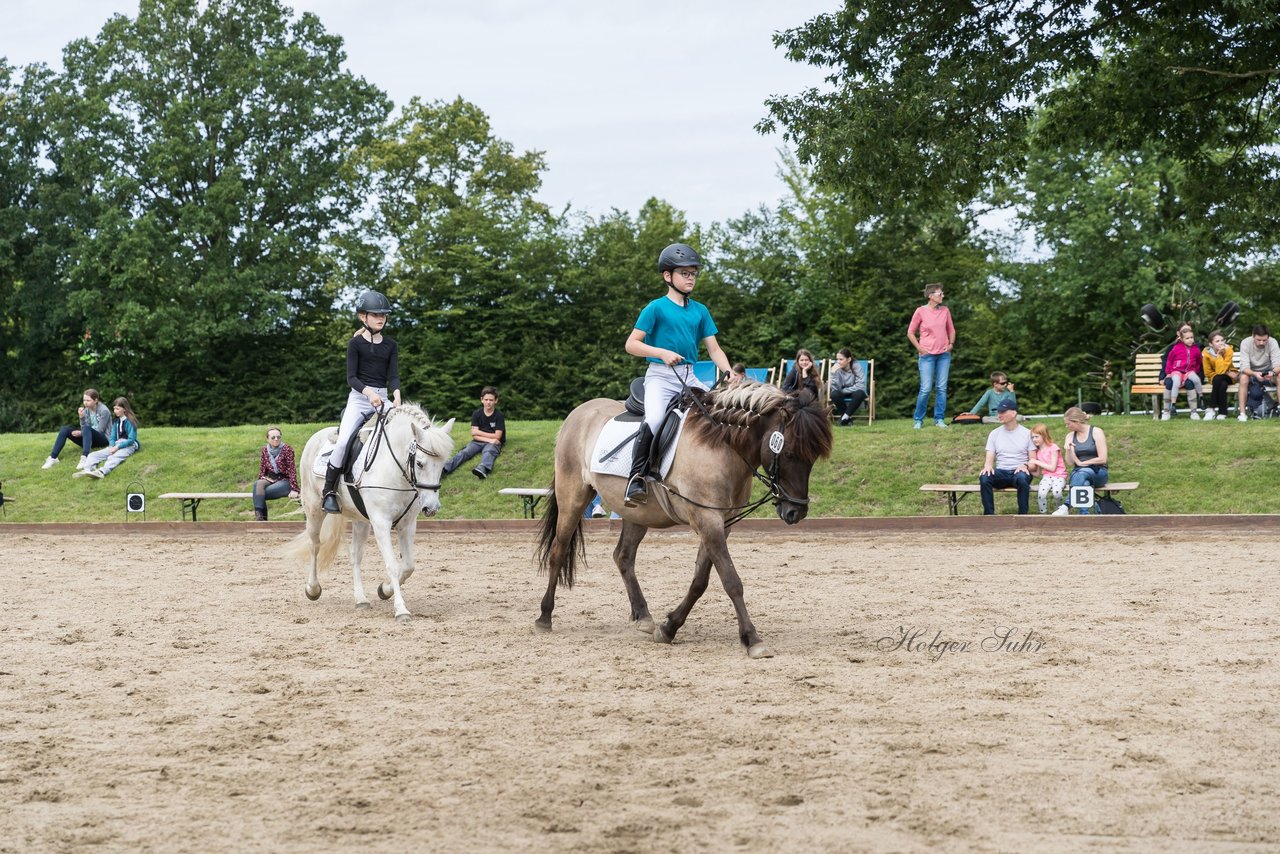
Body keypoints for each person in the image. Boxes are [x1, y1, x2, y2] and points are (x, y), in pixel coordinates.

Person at [623, 242, 731, 507]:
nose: (691, 277)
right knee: (657, 418)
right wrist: (660, 352)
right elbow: (631, 344)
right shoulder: (655, 308)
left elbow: (714, 348)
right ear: (667, 276)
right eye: (685, 273)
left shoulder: (700, 310)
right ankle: (636, 477)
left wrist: (728, 371)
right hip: (660, 377)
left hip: (689, 376)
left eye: (693, 273)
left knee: (717, 417)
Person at [323, 290, 401, 513]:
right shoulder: (354, 344)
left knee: (401, 435)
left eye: (383, 316)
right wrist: (369, 393)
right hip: (359, 399)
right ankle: (328, 491)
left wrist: (395, 394)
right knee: (343, 442)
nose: (380, 319)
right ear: (362, 317)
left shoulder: (391, 345)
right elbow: (351, 378)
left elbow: (393, 376)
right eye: (375, 315)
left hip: (383, 398)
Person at [907, 282, 955, 429]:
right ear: (930, 296)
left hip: (943, 355)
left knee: (941, 388)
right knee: (926, 388)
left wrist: (951, 344)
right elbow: (910, 332)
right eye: (940, 294)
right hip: (927, 355)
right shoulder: (920, 311)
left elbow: (951, 330)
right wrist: (920, 348)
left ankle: (939, 419)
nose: (942, 296)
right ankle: (918, 420)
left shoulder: (945, 310)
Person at [978, 399, 1035, 515]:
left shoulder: (1027, 434)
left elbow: (1033, 462)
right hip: (1002, 472)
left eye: (1003, 412)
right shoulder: (994, 434)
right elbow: (989, 459)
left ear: (1014, 413)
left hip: (1019, 471)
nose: (999, 415)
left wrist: (1025, 465)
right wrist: (987, 466)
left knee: (1022, 478)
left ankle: (1023, 516)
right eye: (998, 412)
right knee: (984, 477)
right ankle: (989, 515)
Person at [443, 386, 506, 480]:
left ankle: (483, 468)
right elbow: (474, 435)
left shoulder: (499, 415)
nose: (488, 402)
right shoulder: (477, 414)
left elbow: (498, 436)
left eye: (491, 400)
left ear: (496, 401)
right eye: (486, 399)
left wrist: (479, 433)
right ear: (482, 400)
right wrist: (490, 439)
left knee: (489, 451)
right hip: (479, 441)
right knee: (465, 452)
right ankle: (445, 469)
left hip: (493, 444)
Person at [42, 389, 112, 470]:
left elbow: (100, 430)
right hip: (89, 439)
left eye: (88, 400)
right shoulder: (87, 410)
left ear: (95, 400)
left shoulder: (104, 411)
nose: (85, 403)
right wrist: (81, 417)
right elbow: (85, 427)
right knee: (65, 429)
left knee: (86, 429)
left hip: (103, 439)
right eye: (84, 400)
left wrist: (81, 433)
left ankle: (85, 458)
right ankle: (53, 458)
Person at [72, 397, 140, 479]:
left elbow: (131, 440)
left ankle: (101, 472)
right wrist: (112, 446)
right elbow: (113, 437)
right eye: (114, 409)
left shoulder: (130, 421)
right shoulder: (116, 421)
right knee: (92, 455)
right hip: (116, 443)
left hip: (129, 445)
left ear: (124, 409)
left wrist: (117, 447)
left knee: (114, 457)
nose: (115, 411)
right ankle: (87, 469)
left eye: (117, 409)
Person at [1063, 406, 1108, 515]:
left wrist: (1083, 464)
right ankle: (1084, 514)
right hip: (1079, 474)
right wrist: (1068, 449)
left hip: (1098, 472)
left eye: (1068, 423)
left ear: (1076, 421)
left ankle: (1066, 505)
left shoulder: (1096, 432)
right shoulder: (1070, 436)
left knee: (1082, 473)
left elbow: (1103, 458)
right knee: (1085, 484)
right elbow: (1069, 462)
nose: (1066, 426)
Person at [252, 426, 299, 521]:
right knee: (258, 484)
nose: (276, 439)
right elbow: (262, 470)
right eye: (273, 437)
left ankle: (262, 519)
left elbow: (292, 470)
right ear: (267, 439)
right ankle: (259, 518)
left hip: (284, 480)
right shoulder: (265, 450)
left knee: (258, 494)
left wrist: (294, 489)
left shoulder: (287, 449)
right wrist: (263, 479)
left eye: (278, 437)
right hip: (270, 478)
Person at [1236, 324, 1280, 421]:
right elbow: (1244, 367)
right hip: (1251, 373)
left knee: (1279, 376)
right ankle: (1242, 414)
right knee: (1243, 377)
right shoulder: (1245, 343)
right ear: (1253, 336)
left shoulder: (1273, 342)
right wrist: (1255, 373)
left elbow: (1278, 365)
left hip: (1269, 374)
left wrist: (1272, 372)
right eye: (1258, 340)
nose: (1261, 343)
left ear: (1268, 337)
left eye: (1264, 340)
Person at [1162, 323, 1202, 420]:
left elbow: (1199, 363)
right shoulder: (1173, 348)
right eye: (1184, 331)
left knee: (1190, 383)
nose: (1187, 333)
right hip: (1174, 373)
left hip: (1189, 374)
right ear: (1179, 334)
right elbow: (1166, 362)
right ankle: (1167, 411)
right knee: (1170, 382)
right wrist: (1164, 375)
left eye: (1189, 330)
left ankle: (1194, 412)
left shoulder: (1196, 347)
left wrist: (1197, 374)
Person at [1026, 423, 1067, 515]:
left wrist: (1036, 462)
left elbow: (1052, 468)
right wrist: (1026, 468)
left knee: (1057, 492)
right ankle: (1043, 513)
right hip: (1047, 477)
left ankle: (1060, 511)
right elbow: (1037, 474)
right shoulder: (1037, 452)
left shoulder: (1053, 448)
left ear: (1044, 435)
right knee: (1041, 494)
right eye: (1032, 437)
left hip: (1059, 476)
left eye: (1037, 436)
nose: (1034, 439)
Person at [1201, 329, 1236, 420]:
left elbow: (1221, 371)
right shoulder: (1206, 354)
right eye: (1217, 341)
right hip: (1215, 377)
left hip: (1230, 377)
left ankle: (1211, 409)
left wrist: (1219, 355)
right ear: (1210, 344)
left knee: (1218, 378)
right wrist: (1220, 357)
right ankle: (1222, 413)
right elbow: (1208, 372)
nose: (1221, 343)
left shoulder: (1228, 350)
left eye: (1222, 340)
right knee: (1221, 383)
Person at [828, 348, 867, 426]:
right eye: (837, 359)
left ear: (849, 359)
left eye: (841, 359)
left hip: (855, 391)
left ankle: (844, 417)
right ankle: (847, 418)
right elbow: (836, 388)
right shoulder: (836, 368)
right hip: (841, 391)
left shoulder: (856, 366)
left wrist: (844, 390)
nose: (838, 362)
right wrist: (833, 374)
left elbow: (860, 386)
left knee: (860, 393)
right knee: (834, 394)